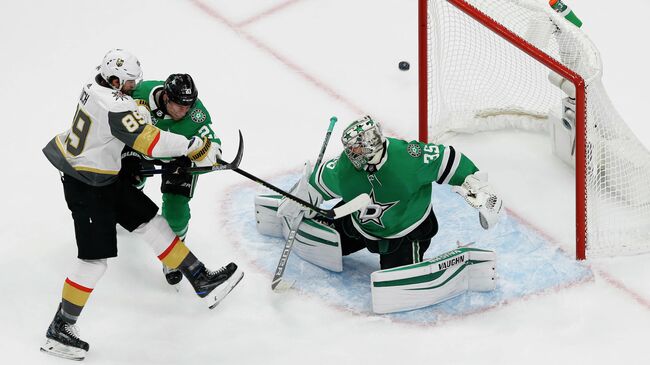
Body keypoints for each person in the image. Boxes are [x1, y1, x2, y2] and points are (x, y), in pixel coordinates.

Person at [40, 49, 243, 361]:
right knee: (94, 262)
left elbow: (129, 126)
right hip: (86, 183)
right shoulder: (114, 103)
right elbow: (151, 140)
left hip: (103, 176)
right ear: (115, 80)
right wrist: (192, 147)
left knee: (152, 223)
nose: (136, 87)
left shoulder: (96, 89)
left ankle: (200, 278)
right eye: (131, 82)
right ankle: (60, 327)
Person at [256, 115, 501, 312]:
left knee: (393, 277)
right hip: (361, 225)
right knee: (337, 236)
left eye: (356, 150)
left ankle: (409, 261)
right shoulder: (345, 168)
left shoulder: (409, 158)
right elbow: (319, 182)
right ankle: (343, 235)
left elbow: (449, 159)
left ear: (370, 148)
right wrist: (300, 199)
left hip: (406, 231)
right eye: (350, 150)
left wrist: (480, 190)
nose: (350, 155)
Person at [119, 73, 219, 287]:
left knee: (176, 213)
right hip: (141, 149)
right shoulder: (142, 92)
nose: (185, 111)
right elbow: (117, 119)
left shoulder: (197, 115)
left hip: (177, 161)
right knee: (128, 184)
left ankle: (173, 260)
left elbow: (214, 154)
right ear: (166, 98)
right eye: (180, 106)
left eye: (189, 106)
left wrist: (189, 165)